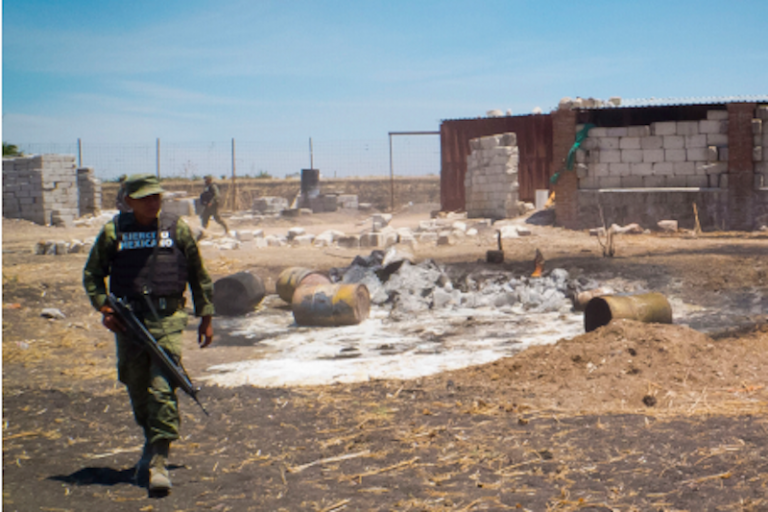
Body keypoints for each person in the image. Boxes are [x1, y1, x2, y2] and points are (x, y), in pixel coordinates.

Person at [83, 173, 214, 493]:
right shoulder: (114, 231)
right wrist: (105, 309)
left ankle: (158, 460)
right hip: (129, 321)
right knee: (137, 384)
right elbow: (92, 274)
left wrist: (206, 317)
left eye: (156, 197)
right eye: (145, 198)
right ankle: (151, 441)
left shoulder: (177, 228)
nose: (153, 203)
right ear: (129, 201)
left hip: (168, 319)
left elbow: (199, 276)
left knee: (162, 385)